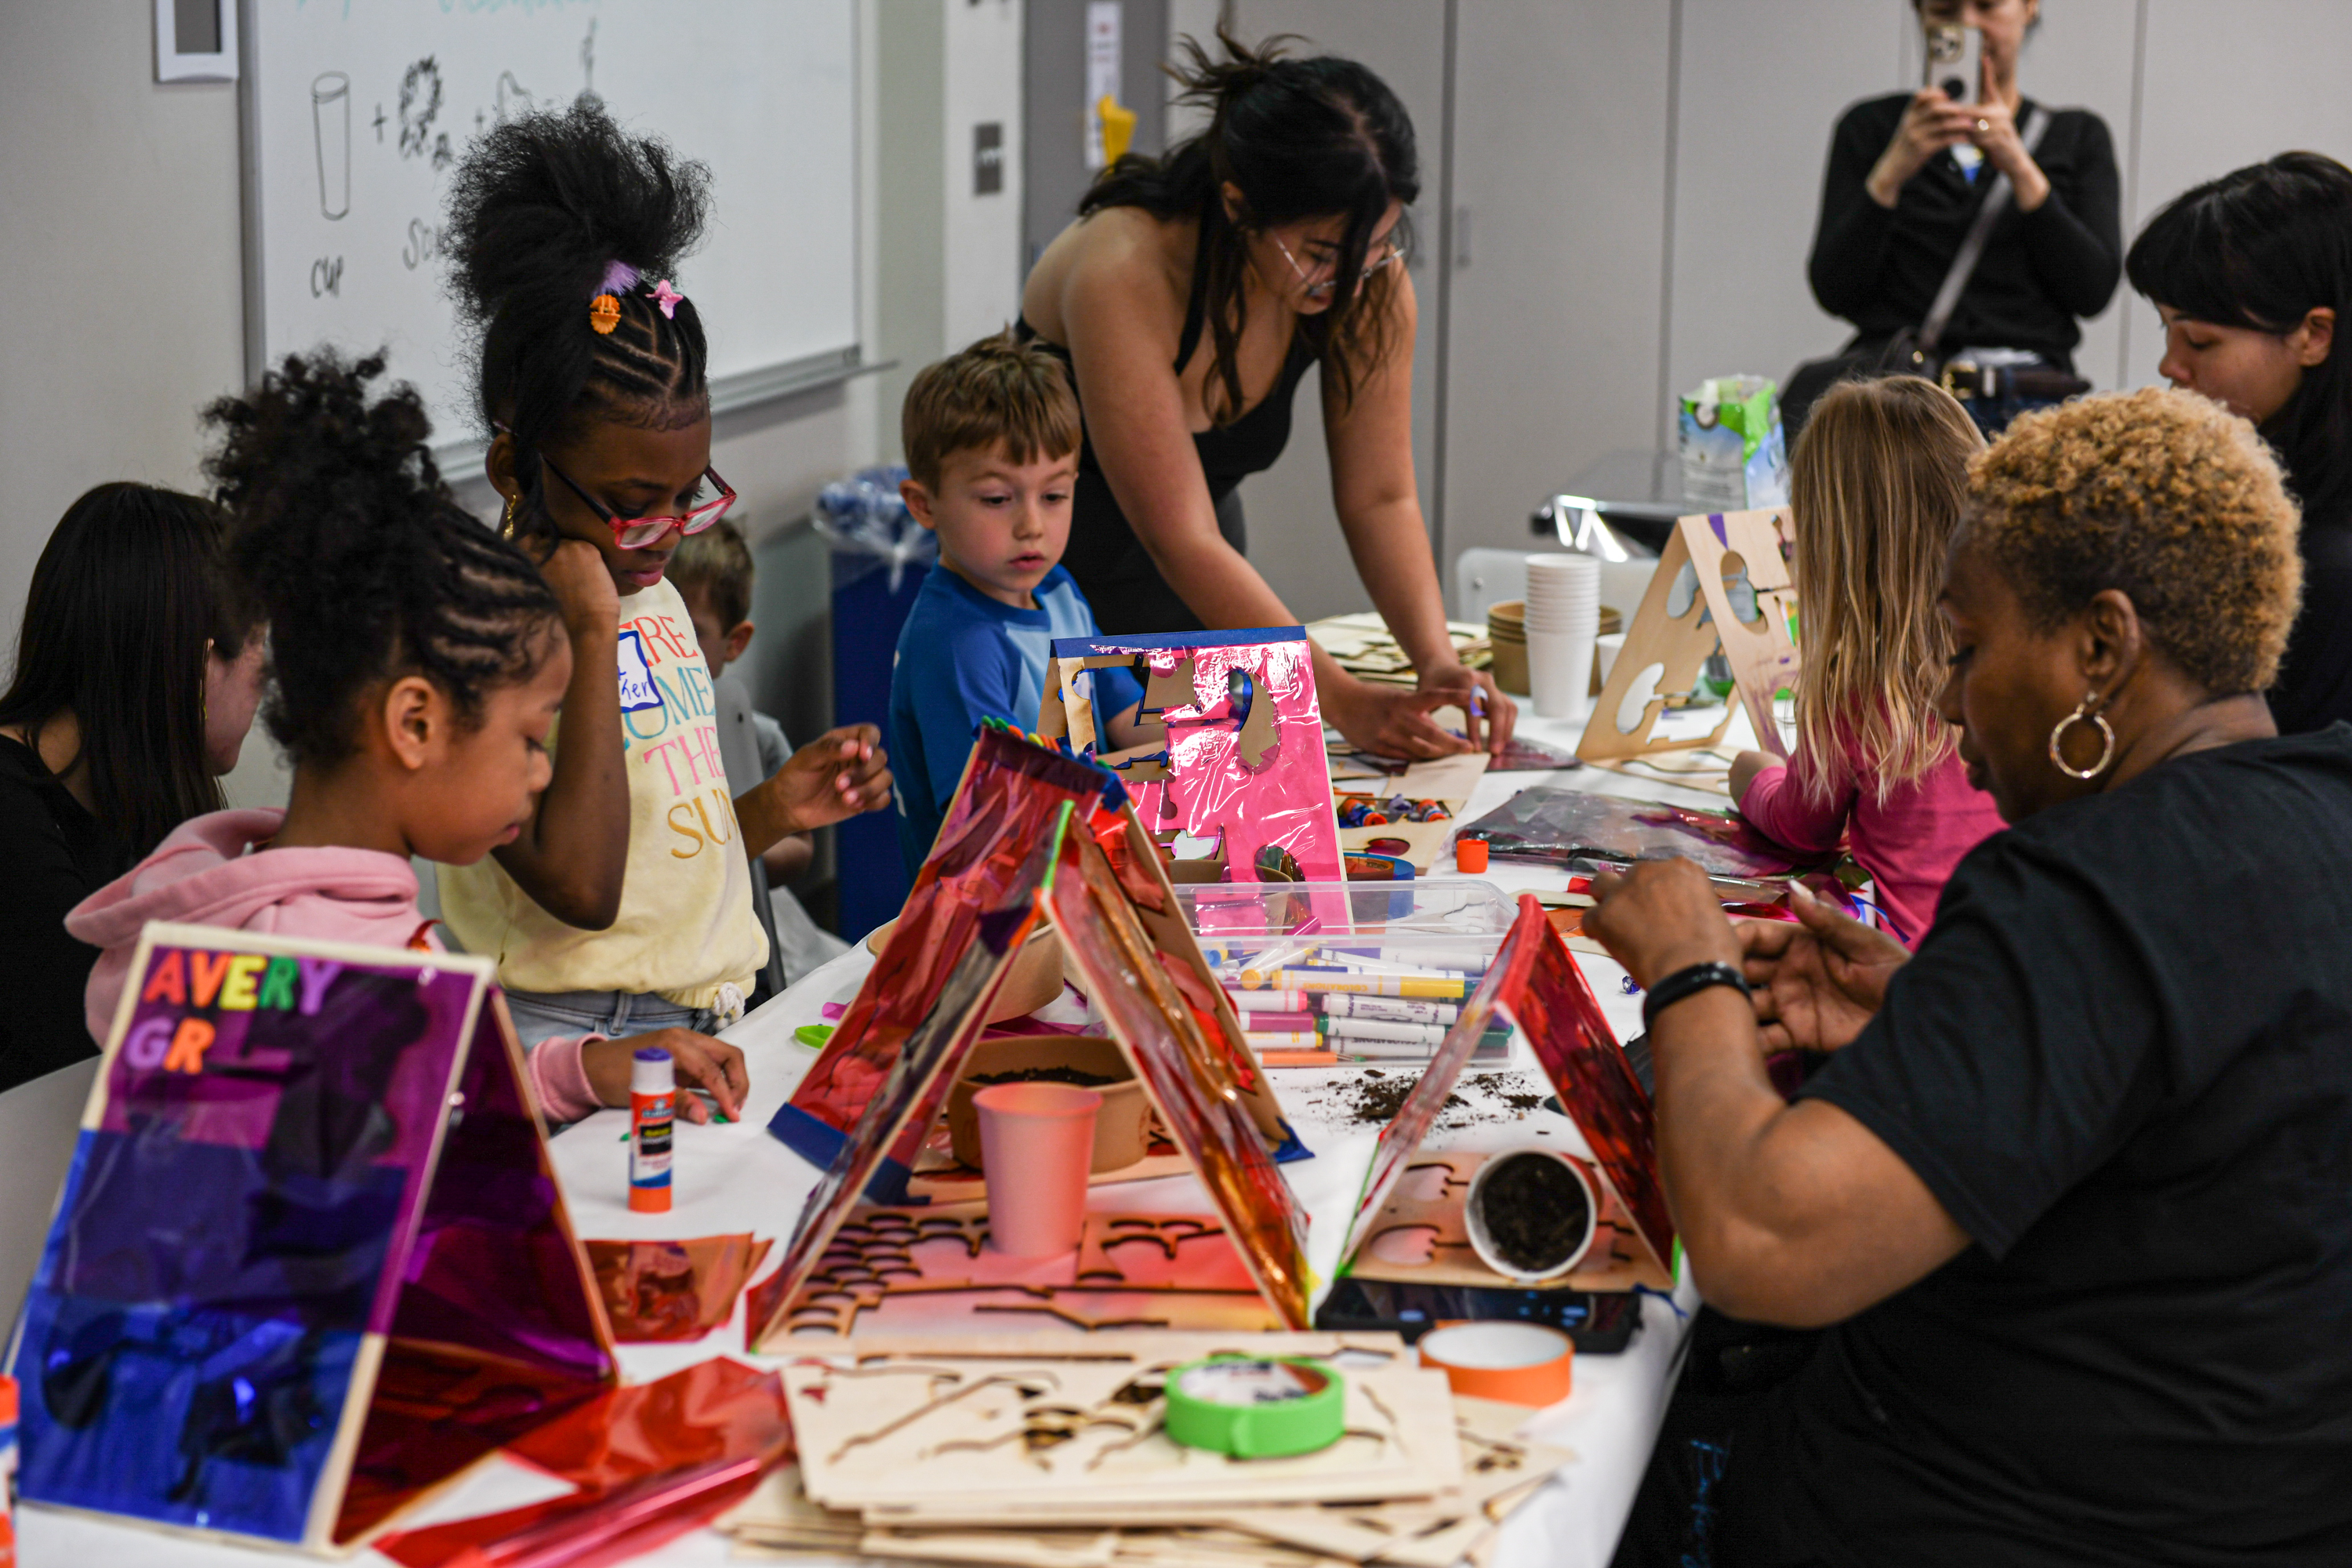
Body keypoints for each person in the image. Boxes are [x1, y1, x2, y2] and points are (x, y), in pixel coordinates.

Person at [1595, 387, 2352, 1565]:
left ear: (2101, 647)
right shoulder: (2317, 813)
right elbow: (2190, 1110)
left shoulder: (2085, 885)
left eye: (1966, 649)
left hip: (1975, 1515)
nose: (1947, 702)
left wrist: (1688, 970)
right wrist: (1938, 1013)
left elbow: (1760, 1233)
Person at [69, 351, 745, 1122]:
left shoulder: (315, 924)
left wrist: (579, 1070)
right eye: (530, 739)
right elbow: (269, 1220)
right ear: (415, 723)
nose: (537, 774)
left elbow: (431, 1093)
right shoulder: (305, 963)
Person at [436, 101, 891, 1052]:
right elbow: (586, 886)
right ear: (516, 472)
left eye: (690, 493)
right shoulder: (484, 632)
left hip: (694, 1013)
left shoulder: (650, 584)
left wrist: (770, 812)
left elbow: (650, 854)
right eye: (633, 499)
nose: (668, 531)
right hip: (570, 1039)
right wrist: (591, 631)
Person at [1016, 29, 1513, 760]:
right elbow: (1177, 534)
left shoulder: (1367, 283)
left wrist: (1435, 659)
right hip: (1042, 594)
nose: (1349, 281)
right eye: (1320, 255)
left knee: (1219, 839)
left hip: (1199, 591)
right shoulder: (1123, 268)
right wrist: (1335, 696)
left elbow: (1381, 497)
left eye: (1375, 249)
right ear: (1239, 205)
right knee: (1090, 844)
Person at [0, 484, 267, 1092]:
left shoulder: (126, 805)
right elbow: (101, 1045)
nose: (265, 682)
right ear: (201, 665)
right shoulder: (10, 815)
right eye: (259, 647)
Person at [1728, 378, 2005, 946]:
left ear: (1833, 546)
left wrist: (1752, 777)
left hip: (1897, 977)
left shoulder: (1862, 687)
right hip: (2007, 963)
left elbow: (1804, 828)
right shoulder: (2022, 667)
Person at [887, 332, 1151, 877]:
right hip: (996, 916)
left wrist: (1208, 751)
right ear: (923, 504)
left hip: (1083, 873)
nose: (1032, 525)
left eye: (1054, 496)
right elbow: (997, 815)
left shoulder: (1059, 592)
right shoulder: (957, 644)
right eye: (997, 499)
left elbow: (1124, 713)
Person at [1798, 0, 2121, 436]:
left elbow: (2093, 290)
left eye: (1987, 6)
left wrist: (2020, 168)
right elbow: (1835, 289)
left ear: (2029, 8)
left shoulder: (2077, 136)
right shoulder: (1871, 129)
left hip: (2029, 403)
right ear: (1920, 15)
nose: (1968, 24)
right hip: (1903, 406)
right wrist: (1893, 169)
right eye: (1944, 9)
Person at [2126, 151, 2352, 733]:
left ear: (2314, 334)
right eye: (2166, 329)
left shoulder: (2328, 567)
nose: (2170, 365)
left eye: (2200, 342)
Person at [670, 518, 848, 993]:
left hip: (757, 929)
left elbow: (802, 847)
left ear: (735, 643)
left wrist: (736, 857)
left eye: (687, 632)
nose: (665, 650)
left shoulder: (755, 735)